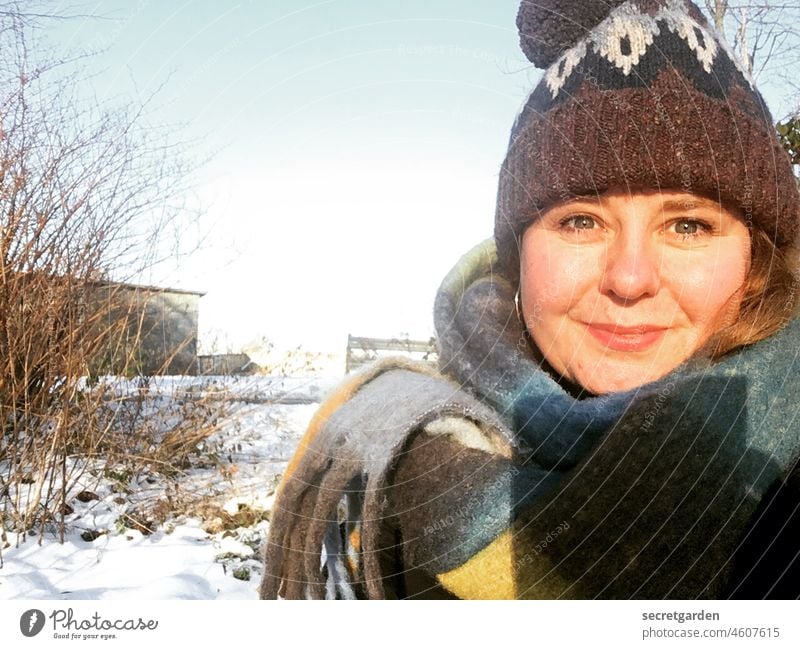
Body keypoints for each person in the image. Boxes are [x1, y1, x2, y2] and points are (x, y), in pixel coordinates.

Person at [260, 0, 800, 599]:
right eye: (579, 222)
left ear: (759, 262)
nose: (628, 278)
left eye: (689, 226)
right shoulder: (386, 464)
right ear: (519, 257)